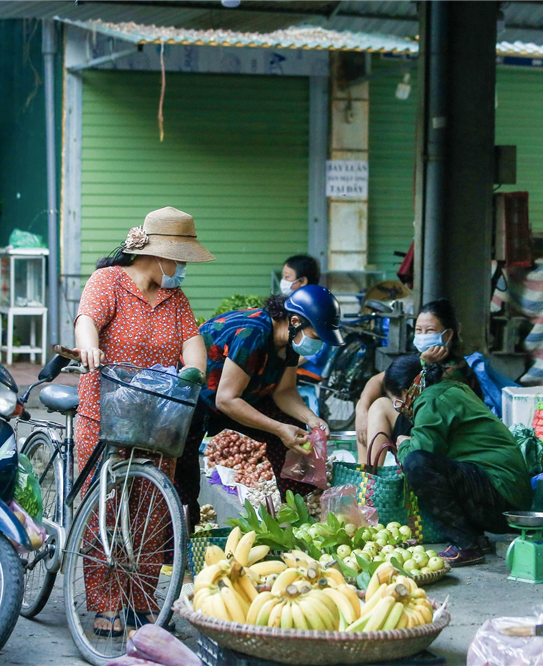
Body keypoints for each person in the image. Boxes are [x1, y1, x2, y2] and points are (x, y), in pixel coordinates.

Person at [72, 206, 211, 636]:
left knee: (152, 513)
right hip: (106, 418)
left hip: (158, 423)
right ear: (160, 255)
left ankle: (140, 597)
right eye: (181, 259)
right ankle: (104, 601)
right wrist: (90, 348)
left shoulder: (176, 301)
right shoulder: (109, 282)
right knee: (106, 512)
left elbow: (193, 346)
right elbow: (86, 322)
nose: (182, 269)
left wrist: (194, 373)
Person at [175, 285, 345, 526]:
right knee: (184, 477)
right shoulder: (253, 333)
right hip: (195, 401)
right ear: (294, 320)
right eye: (316, 337)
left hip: (239, 396)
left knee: (293, 434)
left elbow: (284, 391)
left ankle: (299, 514)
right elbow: (226, 399)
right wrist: (277, 428)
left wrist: (311, 419)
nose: (317, 346)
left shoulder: (290, 341)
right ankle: (178, 549)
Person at [384, 354, 532, 567]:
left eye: (395, 400)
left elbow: (416, 456)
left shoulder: (431, 399)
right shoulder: (452, 389)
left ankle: (464, 545)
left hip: (501, 494)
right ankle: (475, 538)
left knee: (417, 464)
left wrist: (403, 443)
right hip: (509, 496)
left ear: (406, 392)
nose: (397, 407)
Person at [354, 298, 481, 462]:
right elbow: (378, 380)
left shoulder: (456, 370)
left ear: (448, 335)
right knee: (369, 407)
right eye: (418, 330)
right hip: (424, 428)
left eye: (429, 331)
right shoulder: (422, 359)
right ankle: (365, 475)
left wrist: (423, 363)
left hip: (444, 439)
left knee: (381, 407)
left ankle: (370, 479)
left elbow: (432, 411)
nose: (422, 336)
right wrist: (361, 409)